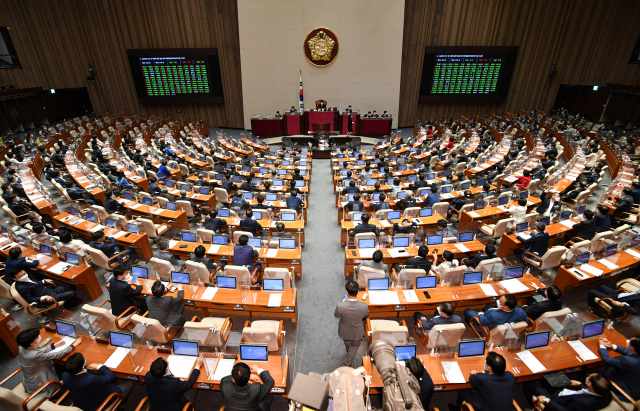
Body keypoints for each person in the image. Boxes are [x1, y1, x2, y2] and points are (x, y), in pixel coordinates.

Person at [17, 328, 83, 397]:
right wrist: (74, 345)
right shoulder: (34, 355)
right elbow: (57, 355)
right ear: (31, 343)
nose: (39, 337)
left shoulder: (22, 347)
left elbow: (38, 351)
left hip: (31, 377)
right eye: (37, 337)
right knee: (67, 370)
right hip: (40, 382)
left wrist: (54, 346)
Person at [62, 352, 135, 411]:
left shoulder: (65, 374)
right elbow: (111, 376)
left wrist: (86, 368)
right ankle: (120, 404)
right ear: (82, 364)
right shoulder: (90, 380)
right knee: (130, 383)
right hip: (95, 404)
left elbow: (78, 371)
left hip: (81, 400)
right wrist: (99, 366)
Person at [450, 352, 515, 411]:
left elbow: (471, 379)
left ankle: (460, 409)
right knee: (482, 391)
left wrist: (477, 373)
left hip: (484, 408)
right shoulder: (510, 376)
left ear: (489, 368)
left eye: (486, 362)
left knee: (463, 389)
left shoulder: (484, 379)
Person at [522, 373, 612, 411]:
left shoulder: (582, 403)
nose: (588, 375)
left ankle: (533, 406)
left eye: (589, 377)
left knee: (528, 383)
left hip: (555, 400)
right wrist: (580, 384)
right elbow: (592, 392)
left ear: (589, 384)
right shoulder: (606, 393)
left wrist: (546, 400)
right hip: (566, 393)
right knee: (547, 376)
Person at [334, 281, 369, 367]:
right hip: (357, 333)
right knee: (353, 348)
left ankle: (346, 363)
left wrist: (343, 302)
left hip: (344, 332)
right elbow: (365, 315)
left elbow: (336, 315)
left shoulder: (340, 306)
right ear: (358, 291)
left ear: (347, 291)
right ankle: (349, 358)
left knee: (349, 346)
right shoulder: (364, 306)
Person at [11, 268, 83, 308]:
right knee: (72, 293)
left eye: (24, 273)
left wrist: (43, 281)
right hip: (47, 299)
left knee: (71, 286)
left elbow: (35, 284)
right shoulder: (21, 287)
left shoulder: (26, 279)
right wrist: (44, 297)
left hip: (49, 291)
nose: (24, 276)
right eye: (20, 276)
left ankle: (69, 301)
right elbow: (30, 300)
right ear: (15, 279)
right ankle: (71, 304)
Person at [598, 336, 640, 404]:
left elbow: (607, 360)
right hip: (635, 385)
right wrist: (612, 346)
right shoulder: (636, 354)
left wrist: (602, 346)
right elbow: (631, 353)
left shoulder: (628, 361)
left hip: (624, 391)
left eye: (629, 342)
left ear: (632, 347)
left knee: (596, 375)